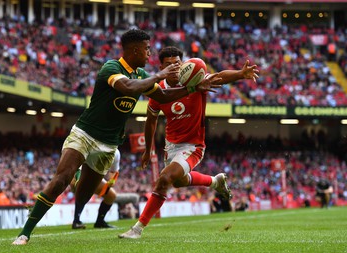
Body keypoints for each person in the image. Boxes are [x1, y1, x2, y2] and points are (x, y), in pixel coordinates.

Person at [12, 29, 223, 245]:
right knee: (61, 180)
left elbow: (163, 95)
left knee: (83, 194)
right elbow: (127, 87)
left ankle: (76, 199)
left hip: (109, 145)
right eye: (147, 49)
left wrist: (192, 87)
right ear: (135, 50)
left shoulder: (141, 75)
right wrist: (159, 75)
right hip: (85, 133)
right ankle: (25, 233)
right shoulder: (112, 68)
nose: (150, 53)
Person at [119, 46, 259, 239]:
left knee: (165, 179)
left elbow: (219, 76)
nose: (175, 68)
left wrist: (240, 74)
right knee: (178, 181)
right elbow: (151, 120)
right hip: (171, 146)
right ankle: (214, 181)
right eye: (169, 65)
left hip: (193, 146)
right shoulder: (159, 92)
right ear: (161, 67)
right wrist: (147, 150)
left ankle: (137, 229)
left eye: (177, 63)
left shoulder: (197, 81)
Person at [70, 149, 121, 229]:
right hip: (81, 172)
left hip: (96, 177)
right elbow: (79, 163)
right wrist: (75, 177)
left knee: (111, 196)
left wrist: (112, 180)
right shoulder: (95, 146)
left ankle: (100, 222)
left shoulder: (116, 153)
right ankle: (76, 221)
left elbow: (113, 171)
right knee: (85, 188)